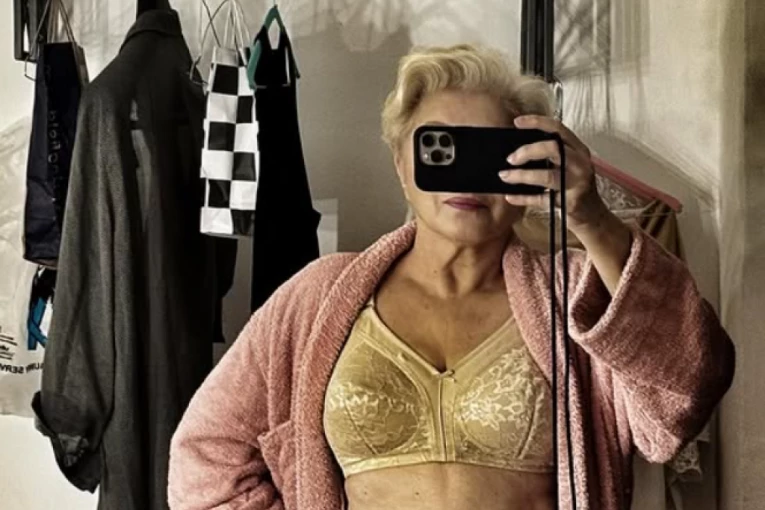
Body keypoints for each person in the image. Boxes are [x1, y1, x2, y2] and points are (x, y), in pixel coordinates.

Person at [167, 44, 735, 510]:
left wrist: (592, 219)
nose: (465, 179)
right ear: (401, 165)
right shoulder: (320, 296)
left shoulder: (576, 294)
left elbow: (688, 389)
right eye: (440, 148)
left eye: (489, 153)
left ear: (533, 163)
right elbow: (206, 452)